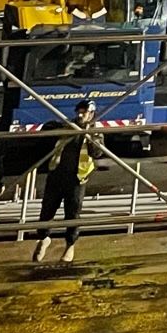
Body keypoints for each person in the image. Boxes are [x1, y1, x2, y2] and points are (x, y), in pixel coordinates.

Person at [31, 98, 103, 263]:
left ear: (92, 114)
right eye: (79, 112)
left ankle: (70, 245)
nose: (81, 115)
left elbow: (97, 153)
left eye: (84, 112)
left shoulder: (95, 132)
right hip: (57, 175)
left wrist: (88, 135)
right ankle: (43, 239)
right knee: (47, 211)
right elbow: (47, 130)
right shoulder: (66, 126)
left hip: (77, 179)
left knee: (72, 214)